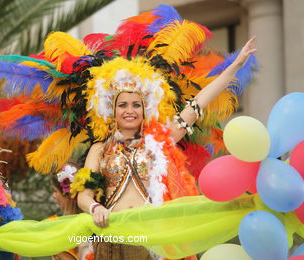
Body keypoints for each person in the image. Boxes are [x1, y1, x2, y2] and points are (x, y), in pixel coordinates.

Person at [75, 37, 256, 259]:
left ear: (145, 109)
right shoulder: (100, 149)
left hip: (153, 239)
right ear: (112, 110)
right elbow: (84, 196)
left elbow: (198, 103)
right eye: (122, 105)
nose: (129, 110)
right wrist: (95, 208)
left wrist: (235, 66)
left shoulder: (160, 138)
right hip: (112, 238)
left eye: (136, 105)